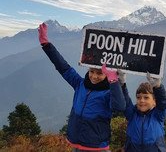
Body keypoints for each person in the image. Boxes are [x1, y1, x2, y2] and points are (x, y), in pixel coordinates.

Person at [38, 22, 126, 152]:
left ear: (106, 74)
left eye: (99, 73)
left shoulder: (108, 93)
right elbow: (63, 67)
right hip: (76, 145)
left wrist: (114, 80)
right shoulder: (80, 84)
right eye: (91, 71)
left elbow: (120, 107)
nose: (94, 76)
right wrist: (46, 45)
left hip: (97, 148)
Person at [117, 70, 166, 152]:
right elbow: (126, 101)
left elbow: (163, 102)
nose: (142, 100)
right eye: (138, 97)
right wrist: (122, 84)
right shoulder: (132, 114)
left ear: (154, 101)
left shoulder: (158, 115)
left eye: (146, 97)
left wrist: (157, 87)